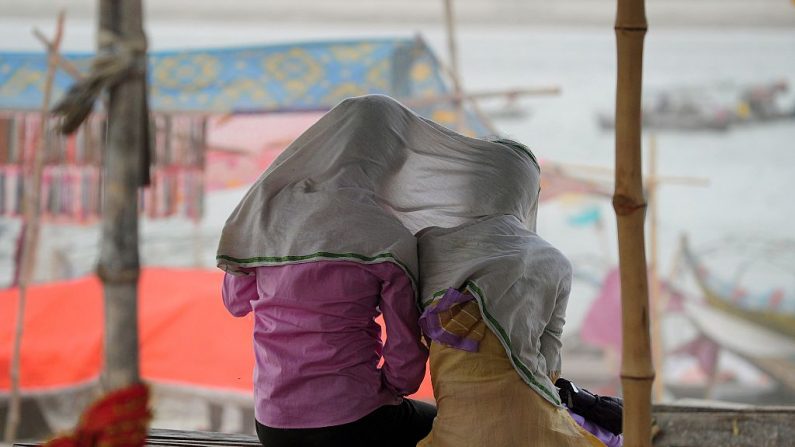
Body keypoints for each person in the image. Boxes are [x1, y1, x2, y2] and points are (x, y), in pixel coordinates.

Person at [217, 96, 435, 447]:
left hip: (272, 423)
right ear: (390, 158)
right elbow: (406, 361)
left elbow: (235, 301)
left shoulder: (270, 215)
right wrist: (390, 388)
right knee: (453, 429)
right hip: (354, 419)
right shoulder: (385, 233)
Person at [415, 138, 607, 447]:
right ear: (527, 192)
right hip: (537, 428)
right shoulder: (554, 261)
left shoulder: (428, 248)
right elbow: (549, 367)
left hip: (456, 434)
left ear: (468, 190)